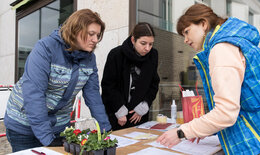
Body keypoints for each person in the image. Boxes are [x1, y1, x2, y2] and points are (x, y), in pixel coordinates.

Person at [157, 4, 260, 154]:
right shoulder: (235, 42)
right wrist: (203, 130)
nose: (185, 40)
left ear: (203, 24)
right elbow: (245, 101)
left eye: (186, 32)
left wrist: (181, 132)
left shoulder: (222, 49)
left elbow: (226, 113)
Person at [4, 9, 111, 152]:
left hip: (59, 126)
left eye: (98, 35)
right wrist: (47, 138)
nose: (95, 40)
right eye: (91, 34)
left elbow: (93, 96)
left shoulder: (90, 59)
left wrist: (105, 130)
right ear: (75, 29)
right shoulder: (46, 48)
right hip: (24, 126)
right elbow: (34, 94)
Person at [101, 22, 160, 130]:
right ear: (133, 40)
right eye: (143, 43)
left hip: (139, 115)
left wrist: (144, 105)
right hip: (116, 114)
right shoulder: (116, 54)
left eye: (151, 44)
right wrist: (119, 109)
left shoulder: (153, 55)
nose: (147, 48)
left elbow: (154, 83)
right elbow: (108, 85)